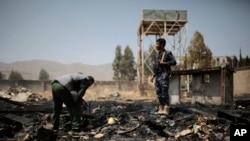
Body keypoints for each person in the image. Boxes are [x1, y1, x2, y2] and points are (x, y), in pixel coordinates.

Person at [150, 38, 176, 115]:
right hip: (158, 75)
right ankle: (161, 108)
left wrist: (164, 63)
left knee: (164, 93)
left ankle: (166, 108)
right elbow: (156, 67)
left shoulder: (168, 53)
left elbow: (174, 62)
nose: (156, 45)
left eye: (157, 44)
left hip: (164, 75)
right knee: (158, 93)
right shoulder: (157, 55)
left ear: (162, 45)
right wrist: (153, 76)